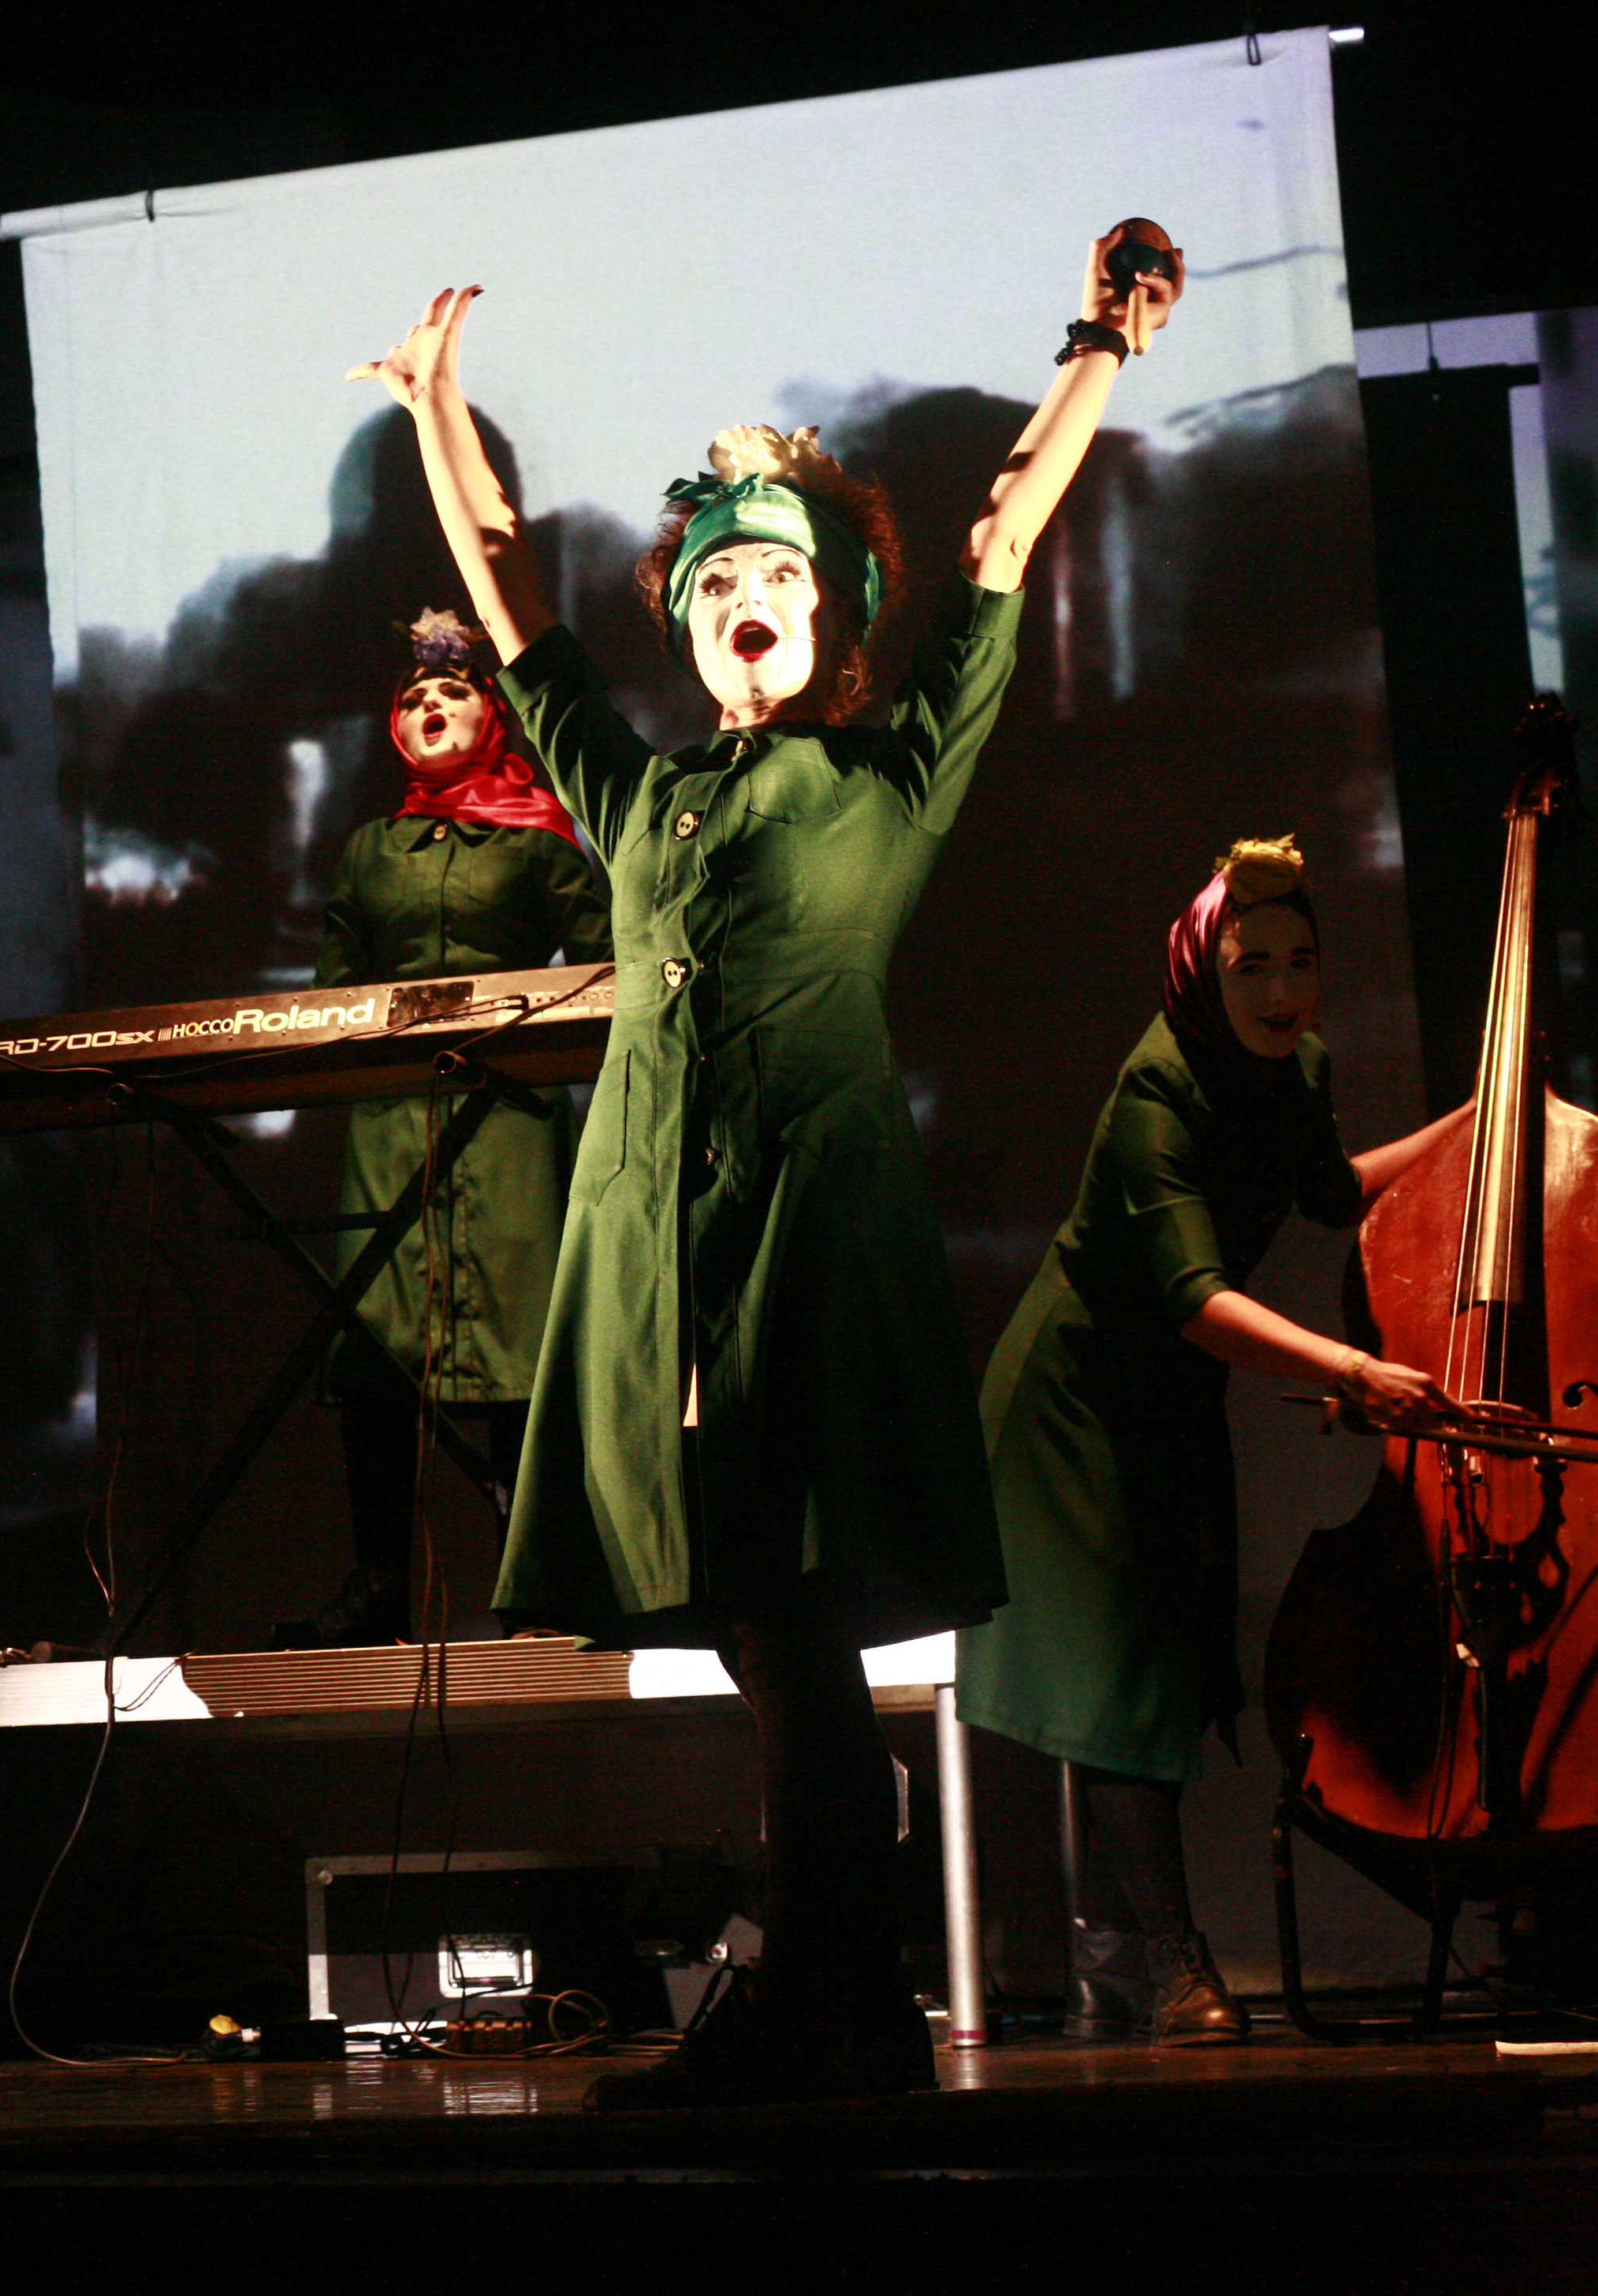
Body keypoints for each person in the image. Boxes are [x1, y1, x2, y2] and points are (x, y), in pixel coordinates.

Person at [352, 226, 1183, 2105]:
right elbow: (502, 593)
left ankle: (827, 2006)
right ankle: (838, 2002)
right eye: (715, 571)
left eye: (776, 573)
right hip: (659, 1257)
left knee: (795, 1632)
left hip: (808, 1239)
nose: (744, 590)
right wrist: (436, 411)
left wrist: (1098, 352)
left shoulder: (883, 776)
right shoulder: (638, 789)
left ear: (825, 616)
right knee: (759, 1632)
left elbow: (998, 536)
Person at [957, 840, 1458, 2044]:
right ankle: (1173, 1965)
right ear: (1200, 972)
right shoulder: (1157, 1091)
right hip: (1070, 1408)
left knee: (1150, 1674)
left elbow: (1329, 1193)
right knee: (1115, 1686)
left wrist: (1469, 1126)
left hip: (1166, 1402)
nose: (1283, 994)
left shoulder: (1300, 1065)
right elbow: (1195, 1298)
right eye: (1253, 970)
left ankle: (1107, 1962)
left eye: (1301, 964)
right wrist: (1350, 1370)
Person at [289, 607, 609, 1646]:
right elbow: (330, 990)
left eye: (453, 692)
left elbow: (610, 954)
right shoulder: (369, 851)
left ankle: (540, 1582)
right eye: (414, 699)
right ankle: (378, 1585)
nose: (432, 707)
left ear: (492, 716)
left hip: (509, 1121)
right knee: (380, 1352)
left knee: (517, 1349)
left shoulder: (540, 835)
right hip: (391, 1128)